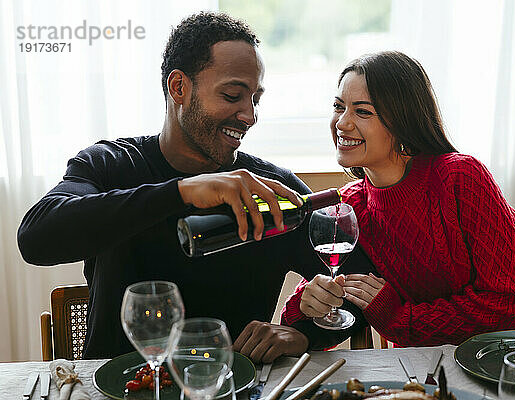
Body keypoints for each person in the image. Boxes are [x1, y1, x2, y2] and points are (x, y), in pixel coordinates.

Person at [17, 12, 371, 361]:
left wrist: (303, 334)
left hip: (231, 386)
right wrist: (182, 191)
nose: (250, 116)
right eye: (233, 95)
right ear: (179, 88)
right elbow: (36, 238)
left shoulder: (268, 189)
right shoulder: (110, 164)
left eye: (255, 99)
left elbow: (366, 292)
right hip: (119, 386)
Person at [281, 51, 515, 347]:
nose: (342, 123)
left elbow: (511, 303)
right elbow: (319, 316)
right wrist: (307, 306)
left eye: (363, 111)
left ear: (403, 120)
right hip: (425, 371)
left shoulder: (460, 177)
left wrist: (400, 319)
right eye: (338, 107)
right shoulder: (349, 208)